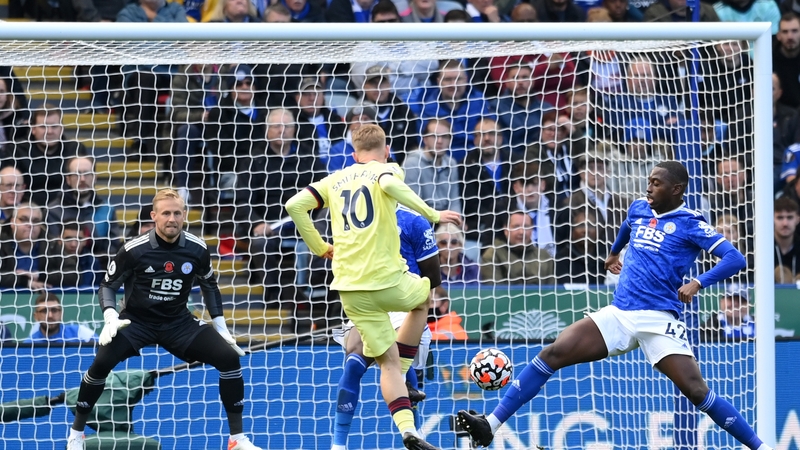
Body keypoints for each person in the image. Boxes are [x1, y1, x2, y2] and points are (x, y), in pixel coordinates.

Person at [456, 161, 773, 450]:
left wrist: (698, 282)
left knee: (696, 390)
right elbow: (627, 226)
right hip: (620, 313)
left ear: (676, 189)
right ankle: (490, 425)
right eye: (648, 181)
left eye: (657, 183)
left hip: (658, 320)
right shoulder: (639, 208)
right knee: (552, 353)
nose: (649, 187)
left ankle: (760, 447)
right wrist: (613, 253)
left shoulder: (690, 223)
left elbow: (735, 259)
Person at [285, 124, 461, 450]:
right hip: (387, 283)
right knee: (423, 297)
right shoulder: (386, 170)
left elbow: (294, 206)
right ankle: (407, 386)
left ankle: (408, 430)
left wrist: (320, 247)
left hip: (350, 290)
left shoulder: (333, 180)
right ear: (387, 150)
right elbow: (393, 185)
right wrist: (434, 212)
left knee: (386, 362)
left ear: (353, 155)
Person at [66, 189, 259, 450]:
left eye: (177, 213)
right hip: (135, 323)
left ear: (185, 215)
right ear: (154, 216)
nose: (172, 219)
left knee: (229, 358)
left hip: (178, 323)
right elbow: (107, 286)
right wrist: (111, 316)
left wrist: (221, 327)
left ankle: (237, 439)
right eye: (166, 213)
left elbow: (209, 286)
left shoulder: (197, 248)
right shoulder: (134, 250)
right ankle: (77, 433)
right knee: (101, 364)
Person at [330, 203, 442, 450]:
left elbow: (433, 277)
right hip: (367, 300)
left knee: (399, 368)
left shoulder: (414, 221)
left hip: (405, 303)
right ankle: (338, 445)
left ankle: (412, 435)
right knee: (353, 364)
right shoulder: (354, 218)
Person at [24, 292, 98, 344]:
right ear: (36, 316)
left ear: (61, 313)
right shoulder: (29, 344)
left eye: (54, 310)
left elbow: (103, 349)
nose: (50, 315)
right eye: (44, 311)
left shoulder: (79, 333)